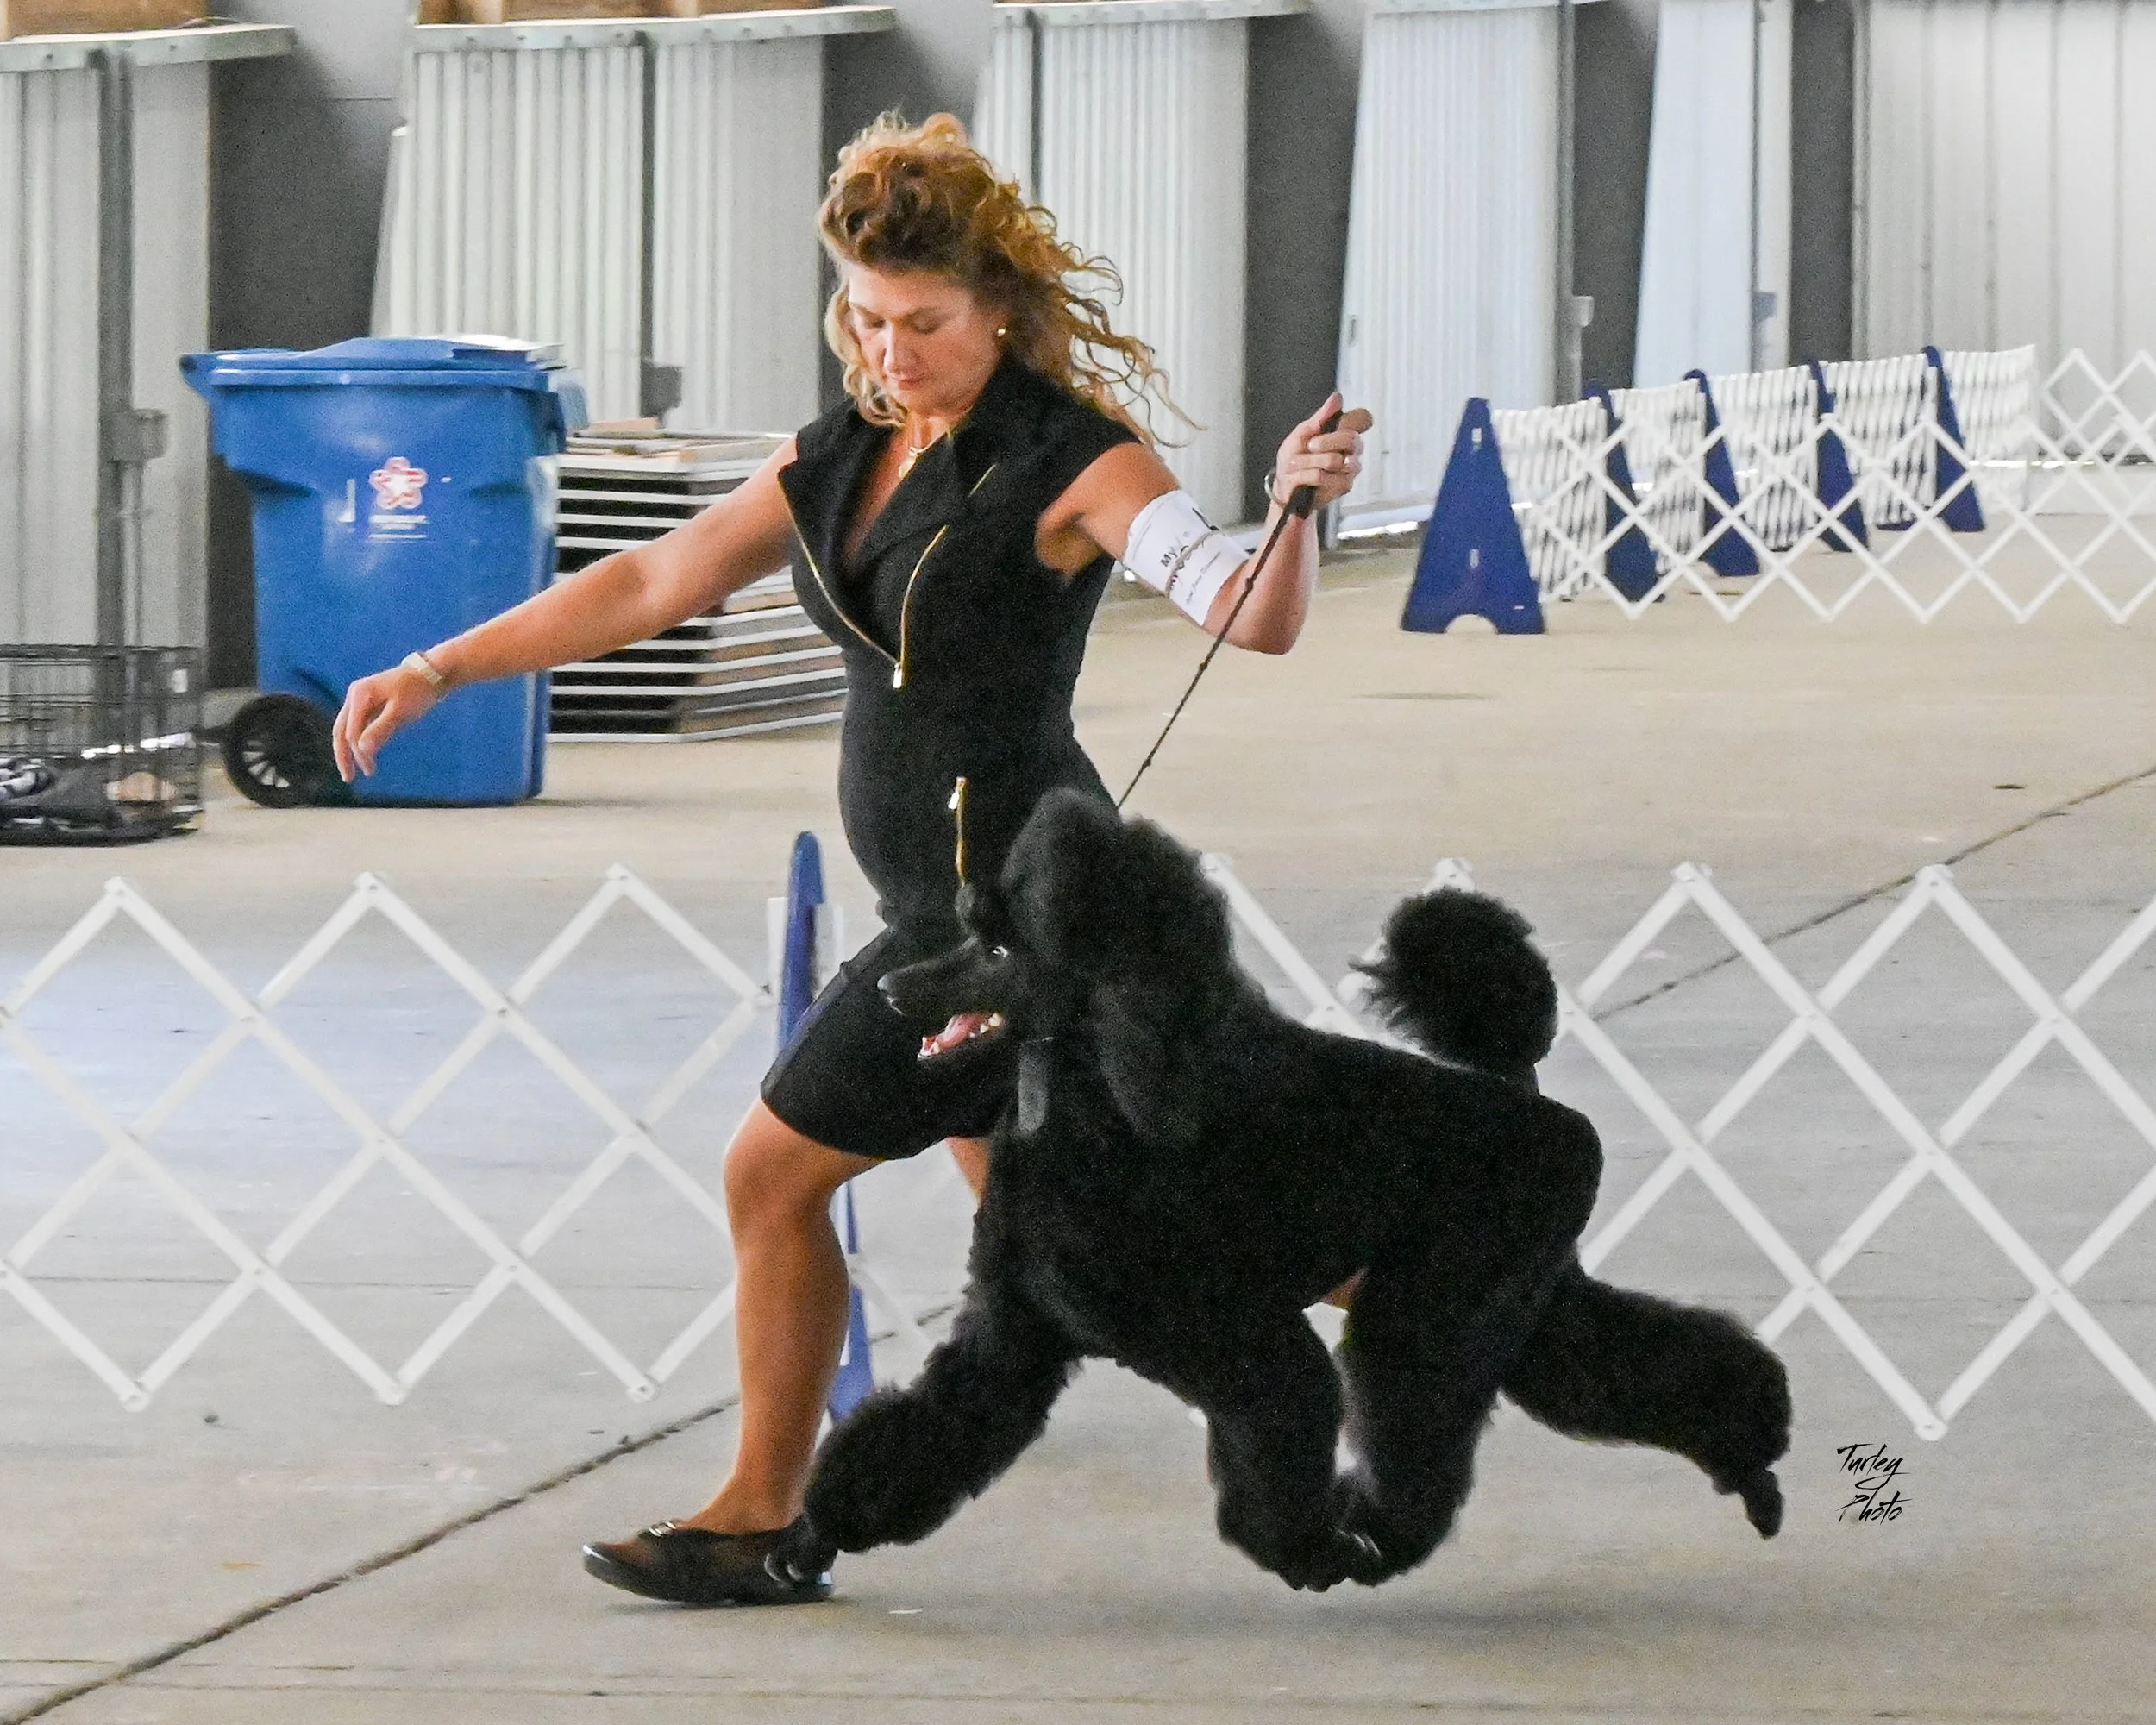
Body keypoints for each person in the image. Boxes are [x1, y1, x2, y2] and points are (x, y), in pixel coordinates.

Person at [332, 111, 1371, 1607]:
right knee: (1126, 1221)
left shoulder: (1076, 462)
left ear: (999, 310)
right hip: (935, 910)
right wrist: (439, 665)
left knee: (773, 1175)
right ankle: (1454, 1282)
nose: (894, 351)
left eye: (927, 324)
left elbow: (1240, 606)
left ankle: (763, 1517)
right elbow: (653, 577)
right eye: (869, 320)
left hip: (1021, 922)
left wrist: (1295, 512)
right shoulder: (839, 457)